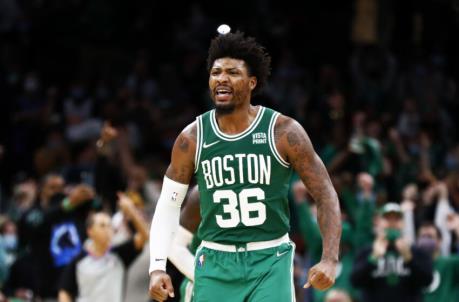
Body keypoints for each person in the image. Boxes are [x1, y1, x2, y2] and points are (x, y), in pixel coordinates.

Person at [148, 30, 341, 302]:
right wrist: (157, 267)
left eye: (232, 72)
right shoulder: (191, 138)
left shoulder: (284, 132)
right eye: (215, 73)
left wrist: (330, 258)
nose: (222, 79)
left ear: (252, 82)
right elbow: (168, 205)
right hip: (215, 260)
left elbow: (325, 193)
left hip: (270, 259)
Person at [58, 193, 148, 302]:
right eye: (102, 225)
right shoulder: (78, 260)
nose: (107, 230)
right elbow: (64, 291)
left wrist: (131, 211)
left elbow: (144, 236)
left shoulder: (119, 255)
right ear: (90, 231)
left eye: (110, 225)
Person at [350, 202, 433, 302]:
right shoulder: (366, 251)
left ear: (403, 223)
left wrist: (409, 259)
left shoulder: (417, 252)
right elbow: (355, 282)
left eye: (397, 219)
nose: (392, 223)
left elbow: (427, 282)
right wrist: (373, 258)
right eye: (387, 219)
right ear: (378, 222)